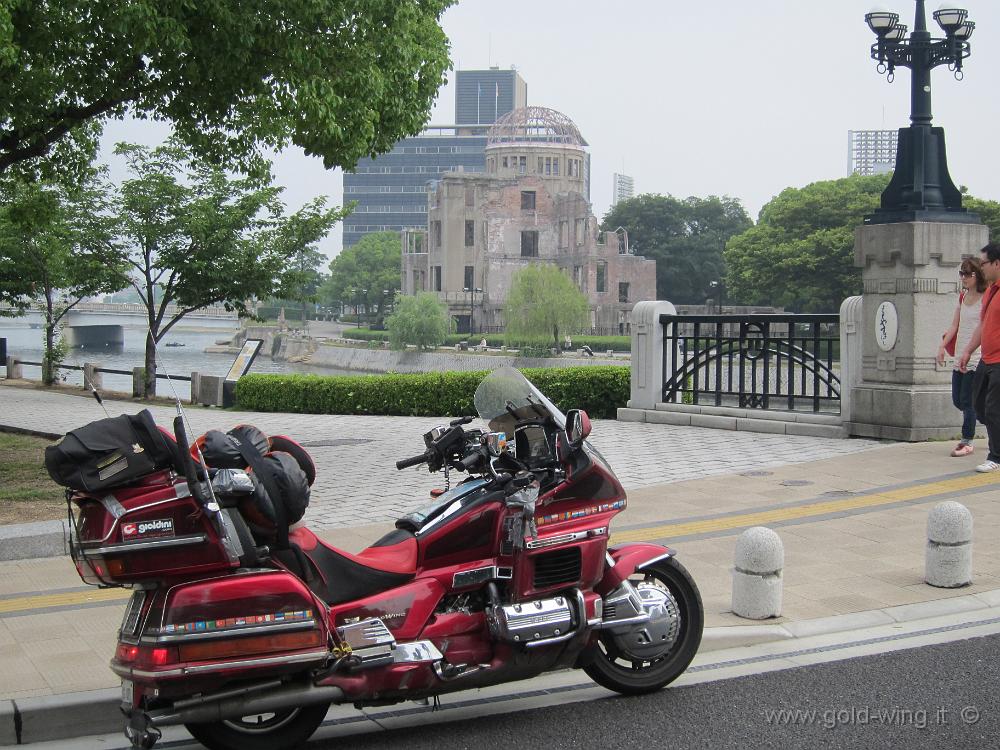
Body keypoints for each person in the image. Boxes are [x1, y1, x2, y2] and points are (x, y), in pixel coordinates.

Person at [959, 243, 1000, 472]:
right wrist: (968, 350)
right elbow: (983, 326)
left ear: (996, 263)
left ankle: (995, 456)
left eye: (983, 263)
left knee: (993, 409)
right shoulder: (991, 291)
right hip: (987, 358)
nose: (980, 267)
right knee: (978, 404)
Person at [938, 258, 985, 457]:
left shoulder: (986, 298)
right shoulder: (962, 297)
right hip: (960, 356)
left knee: (967, 401)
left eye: (968, 274)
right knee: (958, 400)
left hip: (977, 357)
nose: (964, 278)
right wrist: (941, 345)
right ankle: (988, 417)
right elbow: (955, 325)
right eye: (962, 273)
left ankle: (966, 441)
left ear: (977, 275)